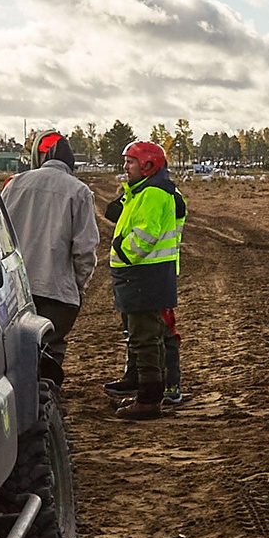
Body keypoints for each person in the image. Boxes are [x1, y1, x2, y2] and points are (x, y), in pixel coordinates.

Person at [0, 132, 99, 386]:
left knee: (14, 354)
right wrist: (78, 286)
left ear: (41, 156)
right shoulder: (79, 191)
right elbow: (85, 249)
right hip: (57, 292)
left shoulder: (14, 184)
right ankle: (46, 407)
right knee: (49, 355)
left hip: (15, 290)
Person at [101, 139, 185, 420]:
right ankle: (147, 391)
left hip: (144, 274)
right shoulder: (145, 191)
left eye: (130, 162)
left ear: (148, 165)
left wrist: (121, 253)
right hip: (143, 274)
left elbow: (144, 236)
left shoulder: (153, 194)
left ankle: (149, 401)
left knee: (146, 338)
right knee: (142, 337)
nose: (125, 167)